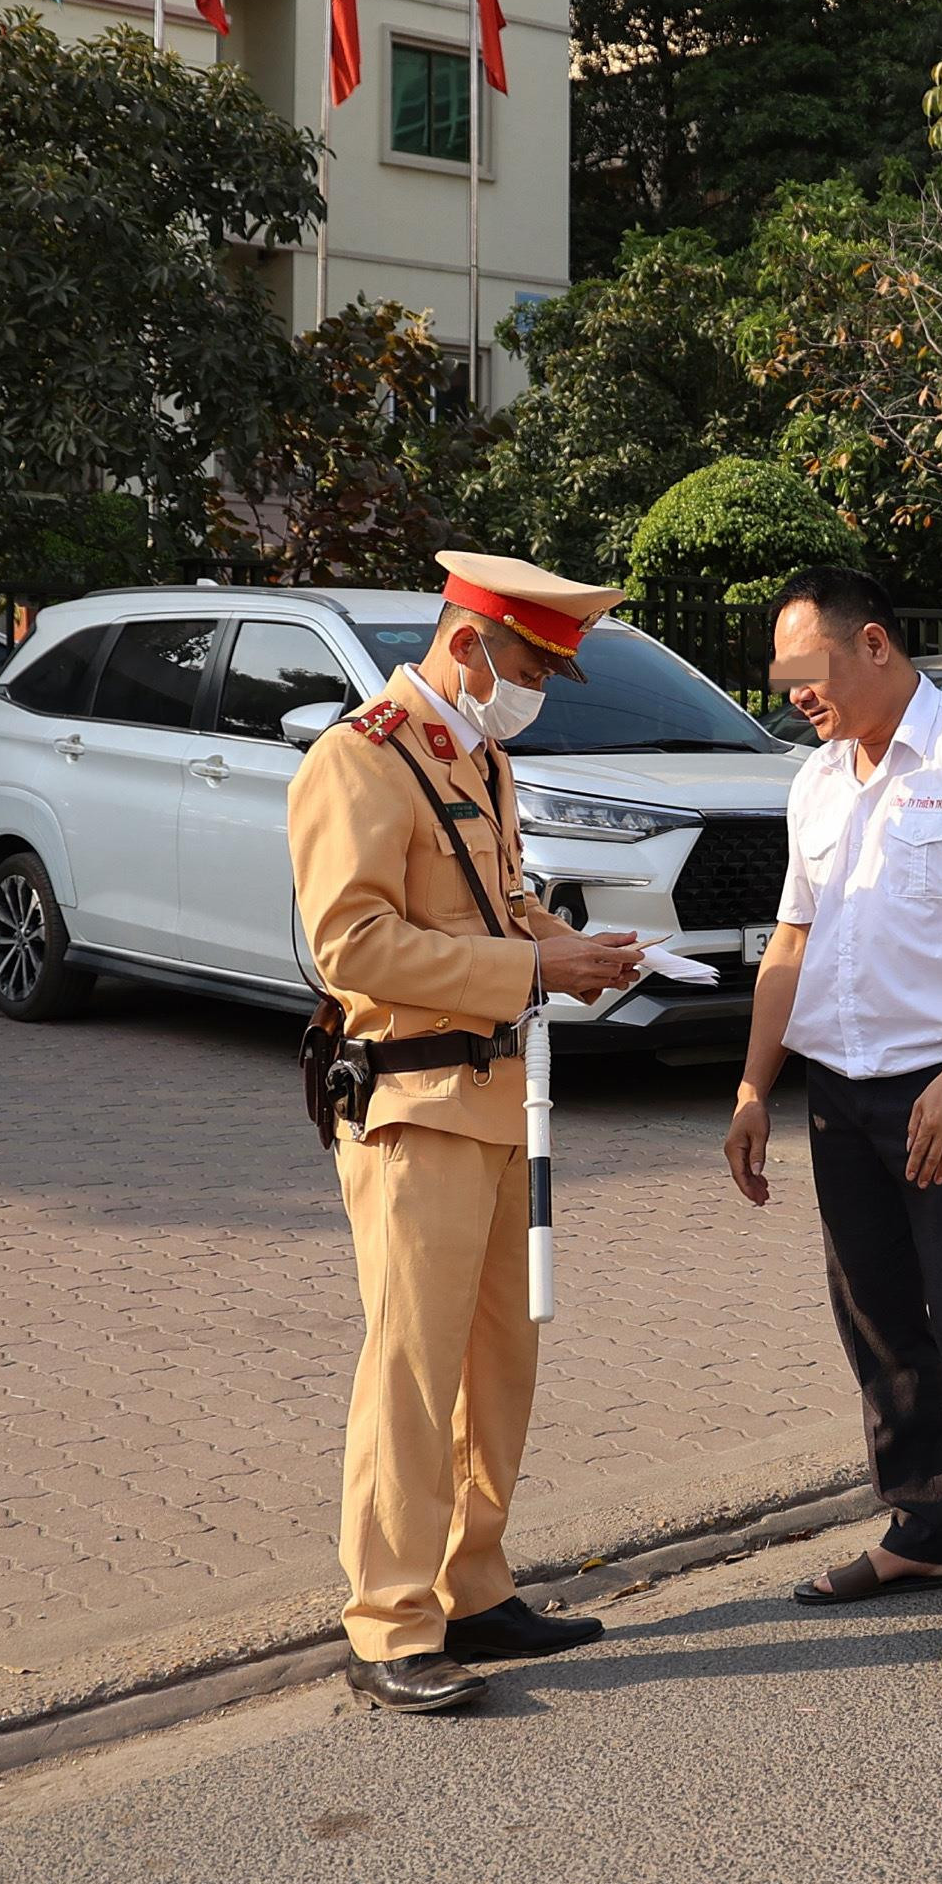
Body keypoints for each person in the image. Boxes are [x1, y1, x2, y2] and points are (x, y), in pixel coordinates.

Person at [289, 550, 649, 1715]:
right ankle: (390, 1622)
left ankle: (472, 1585)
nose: (538, 686)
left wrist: (568, 949)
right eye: (533, 663)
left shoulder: (474, 754)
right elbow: (352, 947)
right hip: (412, 1109)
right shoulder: (358, 758)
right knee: (411, 1368)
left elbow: (497, 904)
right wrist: (530, 964)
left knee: (499, 1364)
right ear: (468, 644)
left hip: (497, 1103)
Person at [723, 567, 942, 1675]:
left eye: (807, 671)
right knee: (873, 1318)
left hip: (941, 1087)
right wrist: (750, 1087)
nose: (795, 698)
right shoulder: (817, 782)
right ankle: (922, 1530)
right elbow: (790, 945)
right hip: (839, 1090)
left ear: (872, 645)